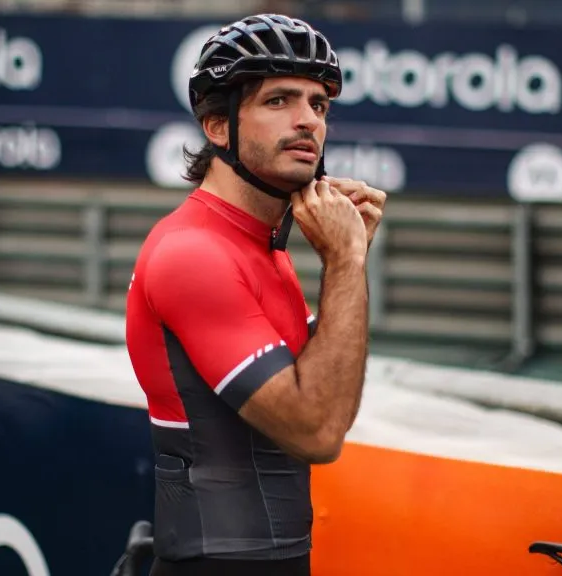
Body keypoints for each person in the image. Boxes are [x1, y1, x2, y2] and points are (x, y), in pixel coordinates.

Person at [124, 13, 387, 576]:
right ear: (218, 127)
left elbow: (323, 385)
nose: (307, 121)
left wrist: (350, 258)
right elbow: (318, 431)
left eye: (319, 105)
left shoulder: (265, 248)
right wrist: (343, 263)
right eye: (279, 101)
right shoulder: (196, 254)